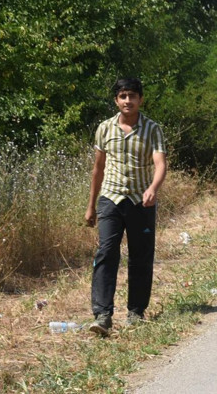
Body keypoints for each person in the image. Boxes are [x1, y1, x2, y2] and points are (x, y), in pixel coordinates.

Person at [85, 78, 167, 336]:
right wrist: (91, 207)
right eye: (122, 96)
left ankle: (135, 312)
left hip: (140, 201)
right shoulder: (104, 128)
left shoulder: (152, 129)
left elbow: (160, 164)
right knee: (106, 252)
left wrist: (153, 188)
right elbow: (98, 169)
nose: (127, 101)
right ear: (116, 100)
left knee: (140, 256)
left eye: (132, 96)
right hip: (110, 198)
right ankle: (102, 314)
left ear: (141, 99)